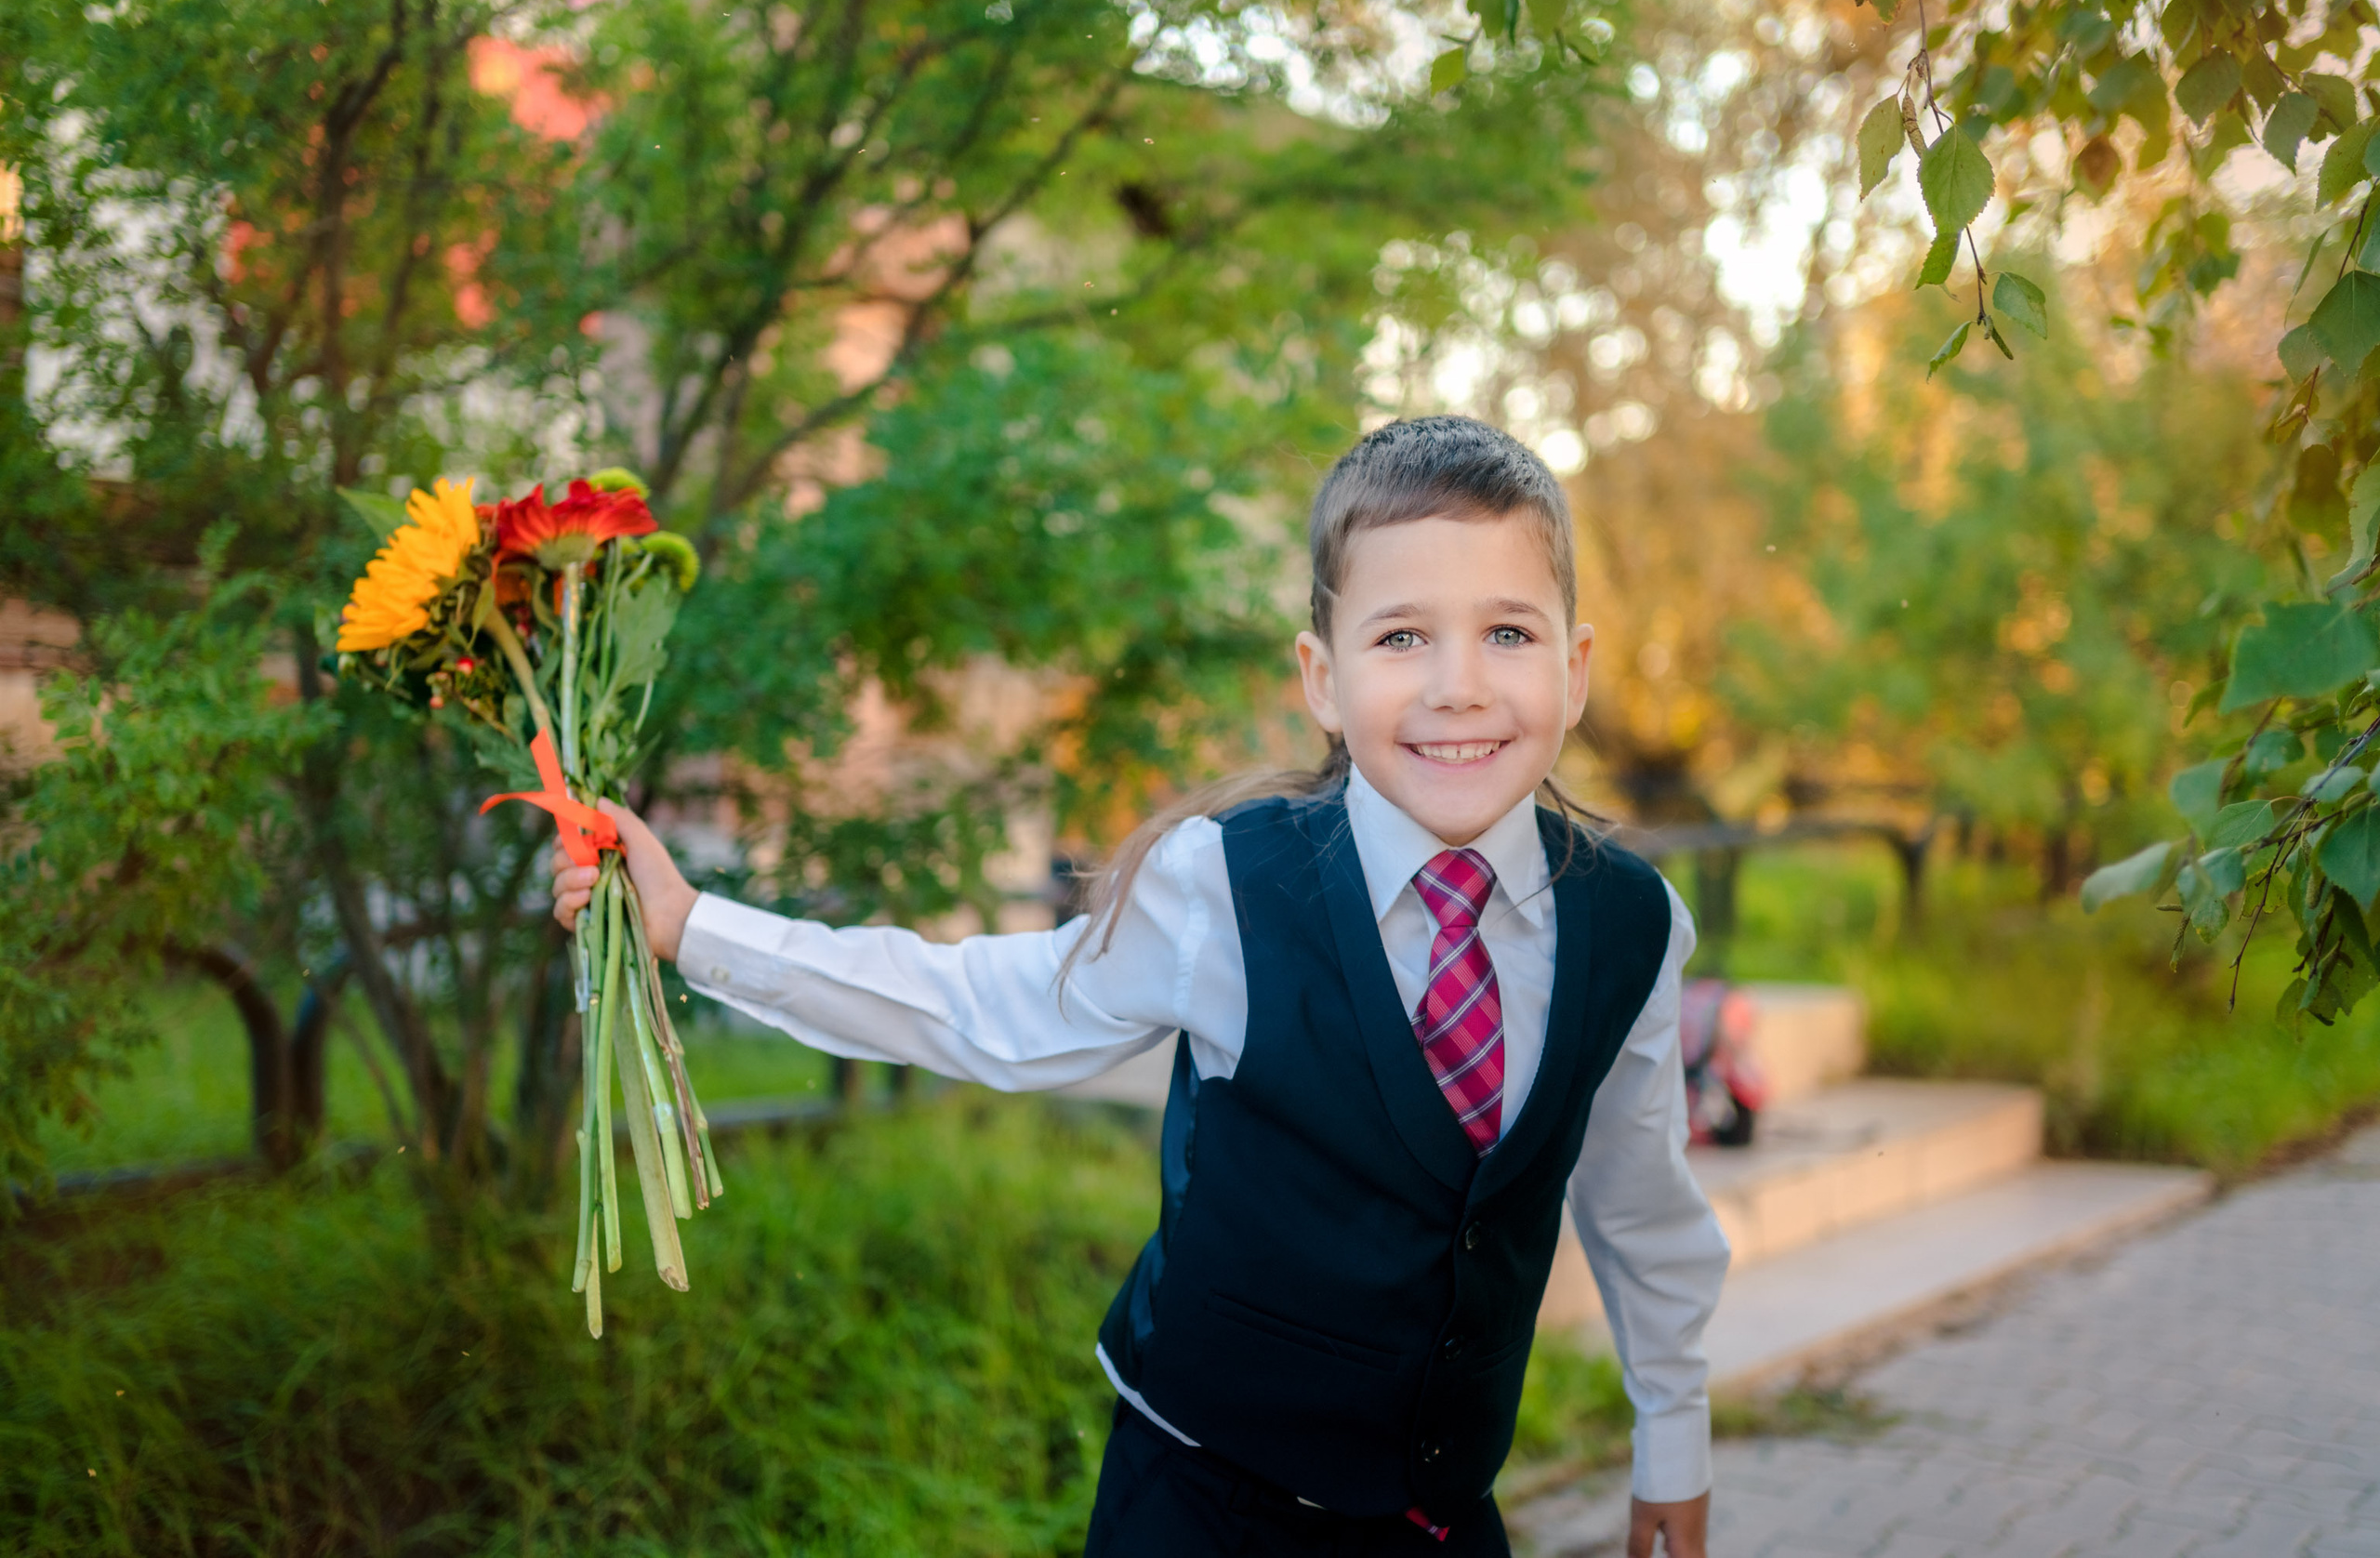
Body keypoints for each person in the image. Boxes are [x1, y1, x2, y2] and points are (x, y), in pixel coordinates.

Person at [553, 416, 1727, 1558]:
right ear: (1321, 679)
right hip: (1200, 1504)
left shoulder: (1631, 926)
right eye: (1402, 637)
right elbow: (980, 1009)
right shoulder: (1223, 885)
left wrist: (1671, 1439)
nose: (1459, 687)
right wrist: (695, 927)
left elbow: (1639, 1205)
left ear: (1575, 671)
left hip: (1436, 1521)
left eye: (1508, 635)